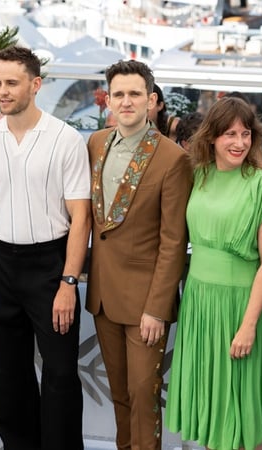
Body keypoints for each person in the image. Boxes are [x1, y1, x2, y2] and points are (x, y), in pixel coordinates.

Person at [0, 45, 90, 449]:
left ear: (35, 85)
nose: (2, 91)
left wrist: (68, 282)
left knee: (60, 374)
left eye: (12, 83)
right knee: (7, 374)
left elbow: (81, 218)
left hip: (50, 266)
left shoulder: (65, 140)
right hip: (0, 265)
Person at [166, 96, 262, 450]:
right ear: (212, 137)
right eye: (230, 134)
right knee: (213, 404)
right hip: (200, 304)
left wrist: (248, 326)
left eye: (245, 133)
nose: (239, 142)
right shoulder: (199, 176)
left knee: (246, 405)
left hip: (241, 306)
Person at [85, 60, 192, 450]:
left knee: (144, 395)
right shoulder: (96, 143)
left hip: (146, 301)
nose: (126, 101)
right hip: (102, 294)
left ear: (151, 100)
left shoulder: (172, 158)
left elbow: (173, 241)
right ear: (108, 100)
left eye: (134, 94)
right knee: (119, 394)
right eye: (119, 94)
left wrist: (157, 308)